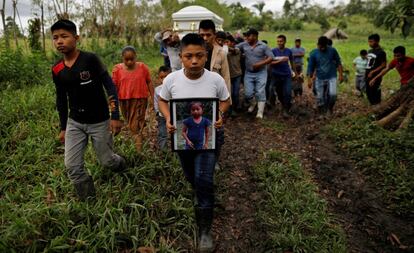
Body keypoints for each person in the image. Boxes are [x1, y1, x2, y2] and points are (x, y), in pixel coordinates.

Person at [158, 33, 230, 252]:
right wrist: (169, 118)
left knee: (204, 179)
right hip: (184, 142)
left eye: (199, 56)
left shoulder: (215, 80)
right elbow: (162, 100)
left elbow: (226, 101)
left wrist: (220, 116)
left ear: (206, 56)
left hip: (208, 141)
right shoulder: (171, 80)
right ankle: (201, 191)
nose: (195, 61)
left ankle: (204, 231)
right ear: (180, 57)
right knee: (191, 176)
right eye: (189, 56)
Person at [51, 19, 125, 201]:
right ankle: (89, 200)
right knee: (72, 165)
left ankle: (122, 165)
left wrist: (115, 116)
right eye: (55, 38)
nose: (59, 41)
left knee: (107, 161)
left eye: (64, 36)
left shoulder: (90, 59)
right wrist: (63, 127)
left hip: (100, 121)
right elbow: (61, 100)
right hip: (75, 122)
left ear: (76, 38)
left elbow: (110, 86)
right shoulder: (57, 69)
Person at [198, 19, 231, 171]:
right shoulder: (194, 51)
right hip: (195, 97)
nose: (205, 38)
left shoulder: (221, 53)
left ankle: (214, 159)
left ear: (214, 35)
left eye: (208, 35)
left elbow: (226, 77)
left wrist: (227, 100)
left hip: (215, 99)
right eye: (202, 35)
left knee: (217, 131)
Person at [112, 46, 154, 152]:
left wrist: (154, 97)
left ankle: (139, 153)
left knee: (134, 127)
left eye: (132, 59)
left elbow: (149, 81)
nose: (130, 62)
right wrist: (113, 102)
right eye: (127, 59)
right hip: (124, 101)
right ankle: (139, 141)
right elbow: (114, 87)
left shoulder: (142, 67)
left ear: (136, 57)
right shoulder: (117, 69)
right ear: (122, 58)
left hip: (139, 100)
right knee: (131, 123)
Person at [236, 28, 274, 118]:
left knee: (260, 91)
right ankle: (253, 103)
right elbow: (235, 47)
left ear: (255, 36)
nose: (247, 37)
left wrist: (260, 64)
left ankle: (260, 113)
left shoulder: (263, 46)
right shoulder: (244, 45)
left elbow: (271, 57)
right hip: (249, 73)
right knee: (248, 93)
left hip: (261, 72)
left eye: (249, 36)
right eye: (247, 36)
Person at [307, 36, 344, 116]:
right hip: (319, 77)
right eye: (321, 46)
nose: (323, 48)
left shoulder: (332, 51)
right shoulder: (313, 53)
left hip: (332, 76)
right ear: (317, 45)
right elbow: (310, 67)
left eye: (324, 46)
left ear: (327, 45)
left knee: (333, 94)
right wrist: (309, 79)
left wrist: (341, 75)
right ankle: (321, 111)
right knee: (319, 97)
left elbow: (338, 63)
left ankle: (330, 108)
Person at [270, 34, 297, 118]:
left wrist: (295, 73)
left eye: (281, 41)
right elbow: (270, 63)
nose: (279, 43)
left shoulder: (289, 51)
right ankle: (282, 104)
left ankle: (286, 110)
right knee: (278, 92)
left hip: (286, 75)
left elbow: (292, 62)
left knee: (288, 92)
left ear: (285, 41)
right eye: (278, 41)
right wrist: (281, 60)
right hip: (276, 75)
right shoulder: (273, 51)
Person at [365, 34, 387, 105]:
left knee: (375, 90)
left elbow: (383, 65)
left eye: (371, 41)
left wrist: (373, 71)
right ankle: (372, 104)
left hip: (376, 75)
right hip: (367, 74)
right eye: (369, 41)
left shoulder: (381, 52)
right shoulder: (369, 51)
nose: (370, 43)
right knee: (368, 90)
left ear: (377, 41)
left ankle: (377, 104)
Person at [154, 66, 171, 151]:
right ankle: (163, 150)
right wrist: (157, 111)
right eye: (162, 77)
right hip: (162, 115)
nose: (164, 79)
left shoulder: (173, 88)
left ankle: (177, 149)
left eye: (166, 77)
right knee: (162, 133)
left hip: (173, 114)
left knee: (175, 131)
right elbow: (156, 101)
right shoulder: (157, 90)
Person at [226, 35, 243, 113]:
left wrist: (225, 48)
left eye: (227, 42)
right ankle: (231, 109)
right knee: (230, 93)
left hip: (237, 75)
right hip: (228, 75)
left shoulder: (237, 50)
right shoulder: (223, 52)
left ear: (233, 43)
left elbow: (233, 51)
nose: (226, 44)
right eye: (225, 42)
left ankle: (236, 107)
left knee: (236, 93)